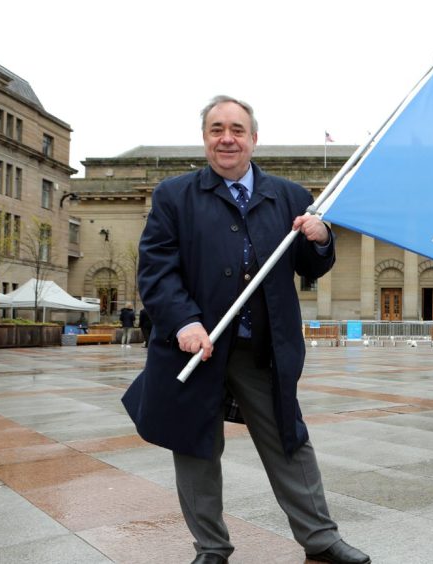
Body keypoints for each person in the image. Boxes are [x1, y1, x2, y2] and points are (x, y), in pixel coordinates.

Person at [121, 96, 370, 564]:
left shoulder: (290, 196)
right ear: (206, 138)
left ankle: (320, 537)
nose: (227, 138)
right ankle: (211, 548)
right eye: (217, 129)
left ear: (254, 139)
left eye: (237, 129)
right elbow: (156, 271)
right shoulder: (174, 196)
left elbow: (311, 264)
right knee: (195, 447)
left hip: (263, 349)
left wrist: (322, 239)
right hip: (198, 346)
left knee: (288, 441)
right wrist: (185, 321)